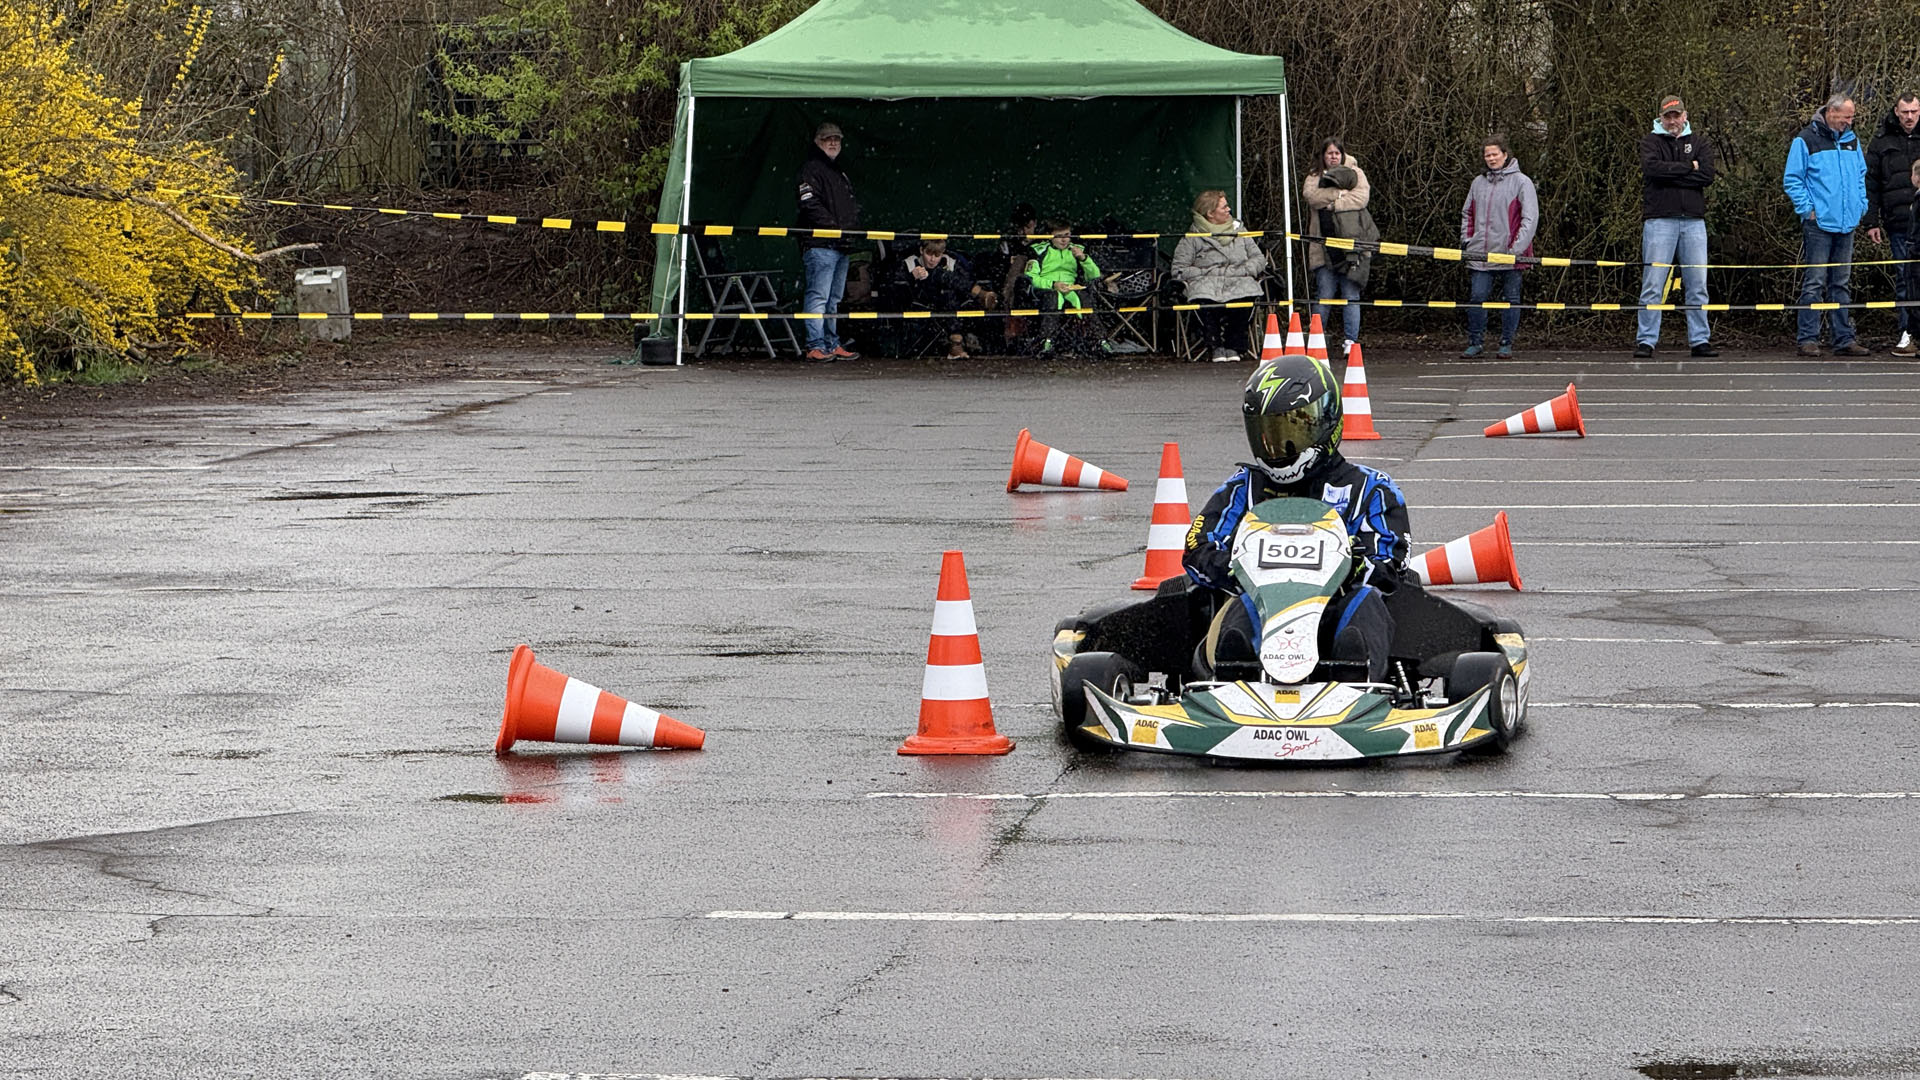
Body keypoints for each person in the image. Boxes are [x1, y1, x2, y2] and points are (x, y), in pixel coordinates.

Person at [1183, 354, 1410, 684]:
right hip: (1261, 607)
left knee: (1366, 602)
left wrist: (1354, 564)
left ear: (1326, 422)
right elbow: (1198, 545)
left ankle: (1355, 680)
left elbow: (1391, 564)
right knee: (1235, 605)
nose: (1277, 445)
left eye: (1291, 430)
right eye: (1267, 432)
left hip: (1336, 611)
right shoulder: (1244, 488)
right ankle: (1234, 679)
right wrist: (1235, 567)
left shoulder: (1370, 489)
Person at [1783, 94, 1870, 356]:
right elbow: (1793, 179)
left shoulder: (1852, 141)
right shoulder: (1805, 140)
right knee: (1815, 282)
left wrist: (1861, 204)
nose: (1849, 121)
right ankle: (1808, 338)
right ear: (1831, 112)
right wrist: (1807, 210)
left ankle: (1843, 338)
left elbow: (1861, 175)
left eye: (1851, 117)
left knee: (1841, 283)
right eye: (1846, 117)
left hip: (1847, 223)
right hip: (1819, 224)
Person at [1634, 95, 1719, 358]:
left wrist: (1673, 173)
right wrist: (1688, 168)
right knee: (1653, 283)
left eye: (1677, 116)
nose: (1673, 121)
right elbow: (1653, 171)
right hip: (1659, 220)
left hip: (1694, 221)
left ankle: (1700, 339)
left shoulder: (1700, 142)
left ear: (1685, 116)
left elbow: (1706, 176)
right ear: (1661, 117)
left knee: (1697, 283)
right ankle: (1646, 340)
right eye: (1668, 116)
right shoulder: (1650, 142)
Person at [1460, 135, 1539, 359]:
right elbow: (1467, 213)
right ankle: (1475, 342)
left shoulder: (1522, 182)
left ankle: (1506, 343)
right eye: (1487, 155)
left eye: (1495, 154)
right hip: (1480, 254)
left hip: (1510, 255)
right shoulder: (1477, 183)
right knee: (1477, 298)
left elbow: (1530, 218)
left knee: (1511, 301)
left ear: (1505, 155)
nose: (1491, 158)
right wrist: (1467, 240)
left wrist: (1516, 250)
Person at [1172, 190, 1270, 362]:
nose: (1229, 210)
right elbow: (1179, 269)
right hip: (1206, 282)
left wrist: (1243, 270)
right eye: (1224, 207)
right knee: (1204, 300)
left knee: (1245, 298)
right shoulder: (1192, 237)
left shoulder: (1240, 231)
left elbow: (1259, 259)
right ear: (1210, 213)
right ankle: (1215, 345)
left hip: (1239, 278)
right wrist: (1208, 273)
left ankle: (1234, 345)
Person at [1301, 138, 1378, 355]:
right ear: (1323, 155)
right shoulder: (1314, 176)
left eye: (1337, 153)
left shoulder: (1356, 172)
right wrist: (1340, 193)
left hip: (1352, 247)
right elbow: (1312, 197)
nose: (1333, 156)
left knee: (1351, 295)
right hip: (1323, 246)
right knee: (1324, 294)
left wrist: (1334, 205)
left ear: (1342, 155)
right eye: (1329, 153)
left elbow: (1361, 198)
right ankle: (1316, 340)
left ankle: (1350, 342)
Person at [795, 121, 861, 362]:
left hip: (840, 245)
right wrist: (835, 228)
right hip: (821, 244)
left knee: (833, 299)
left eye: (837, 139)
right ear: (817, 142)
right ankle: (815, 345)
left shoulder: (838, 172)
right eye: (827, 139)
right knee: (819, 297)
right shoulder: (811, 169)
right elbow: (809, 203)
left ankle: (831, 343)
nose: (833, 142)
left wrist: (847, 232)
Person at [1864, 93, 1920, 356]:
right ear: (1896, 112)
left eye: (1914, 111)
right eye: (1905, 112)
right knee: (1905, 277)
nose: (1909, 117)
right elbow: (1871, 183)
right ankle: (1908, 332)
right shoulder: (1881, 140)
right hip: (1898, 222)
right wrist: (1871, 221)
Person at [903, 239, 993, 357]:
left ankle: (957, 342)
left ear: (943, 253)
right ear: (921, 250)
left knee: (948, 291)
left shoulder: (950, 261)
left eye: (937, 255)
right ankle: (979, 293)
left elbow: (966, 278)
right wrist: (911, 277)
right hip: (921, 299)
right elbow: (894, 284)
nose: (932, 259)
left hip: (948, 300)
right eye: (929, 254)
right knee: (941, 276)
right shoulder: (910, 262)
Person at [1024, 221, 1103, 356]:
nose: (1064, 240)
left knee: (1084, 297)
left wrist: (1084, 258)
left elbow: (1094, 275)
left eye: (1067, 235)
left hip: (1070, 288)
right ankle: (1046, 341)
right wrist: (1053, 284)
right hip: (1047, 288)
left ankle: (1099, 341)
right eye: (1059, 236)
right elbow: (1031, 278)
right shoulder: (1038, 250)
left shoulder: (1077, 249)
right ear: (1049, 236)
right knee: (1053, 297)